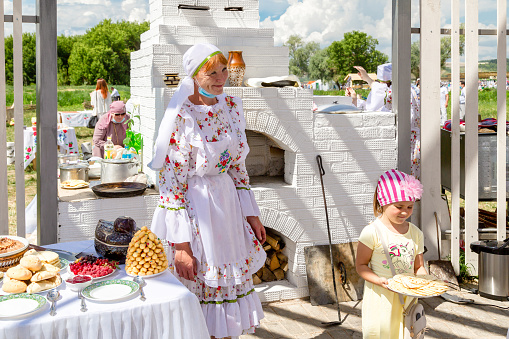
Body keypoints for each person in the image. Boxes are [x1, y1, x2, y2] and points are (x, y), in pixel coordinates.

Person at [148, 43, 266, 339]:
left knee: (228, 294)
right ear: (194, 76)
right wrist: (182, 246)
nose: (221, 77)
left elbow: (238, 166)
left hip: (228, 210)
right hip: (196, 213)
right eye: (211, 72)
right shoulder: (182, 115)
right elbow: (171, 183)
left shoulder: (232, 107)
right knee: (199, 293)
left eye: (224, 69)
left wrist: (251, 215)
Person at [356, 169, 427, 338]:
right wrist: (379, 280)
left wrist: (427, 281)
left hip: (407, 301)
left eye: (410, 206)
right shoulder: (371, 232)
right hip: (381, 301)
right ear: (383, 203)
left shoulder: (416, 233)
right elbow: (361, 265)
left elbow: (419, 267)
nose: (405, 212)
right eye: (399, 206)